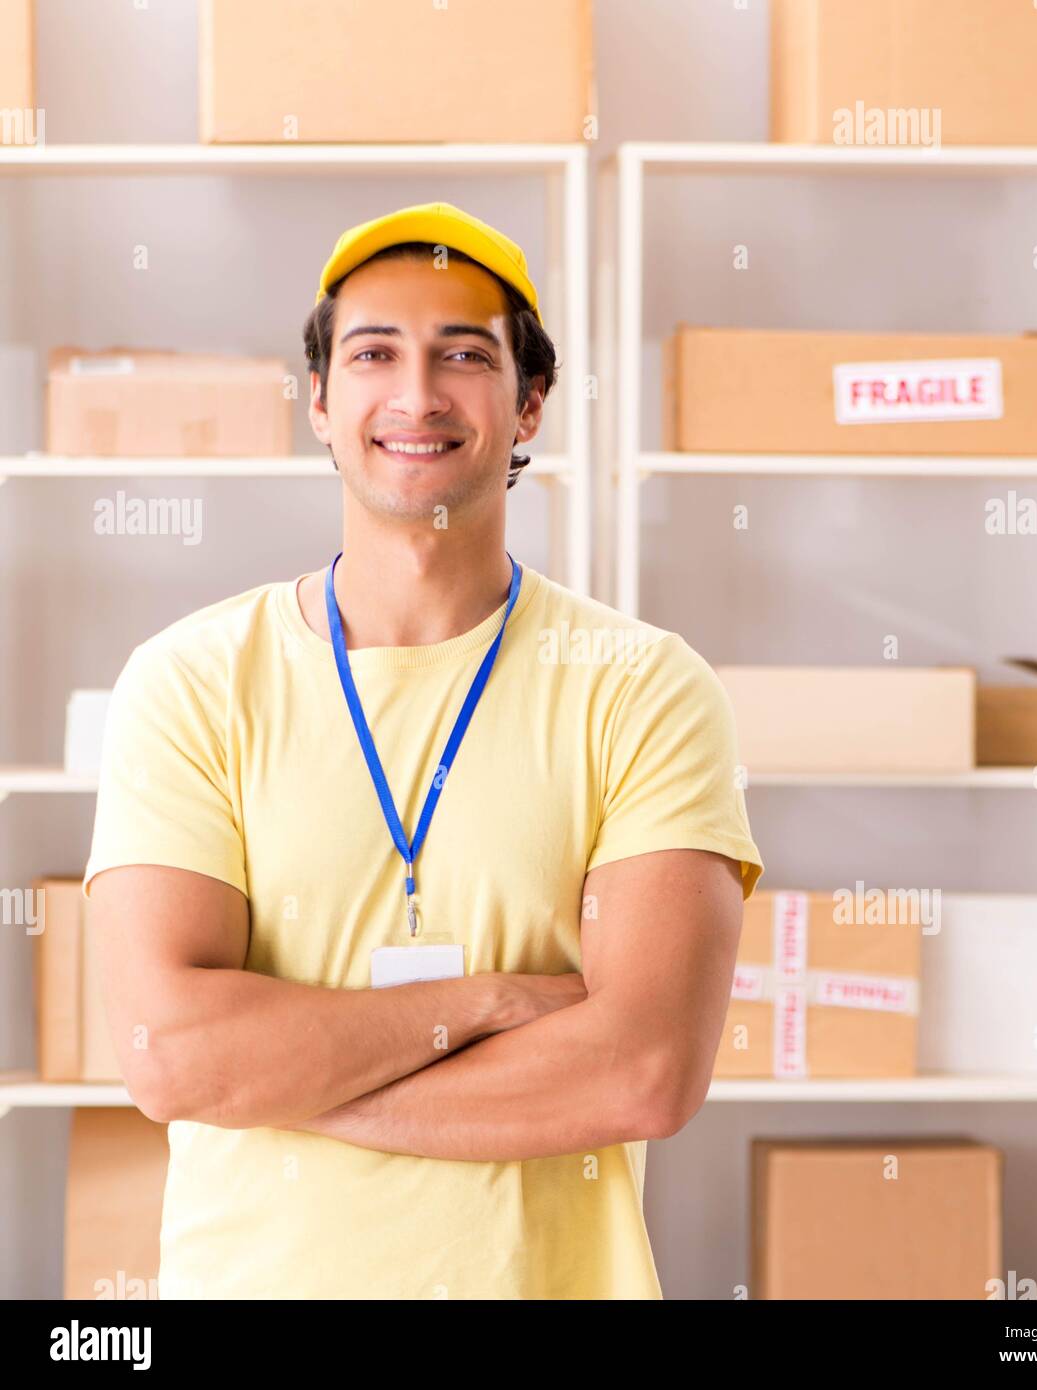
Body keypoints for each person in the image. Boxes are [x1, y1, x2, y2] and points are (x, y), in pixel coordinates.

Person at [84, 201, 765, 1300]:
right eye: (372, 354)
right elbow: (169, 1049)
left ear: (529, 398)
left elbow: (640, 1071)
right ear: (317, 400)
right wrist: (494, 1004)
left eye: (462, 354)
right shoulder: (192, 682)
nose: (415, 395)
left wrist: (278, 1075)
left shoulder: (639, 685)